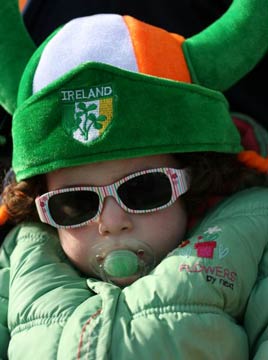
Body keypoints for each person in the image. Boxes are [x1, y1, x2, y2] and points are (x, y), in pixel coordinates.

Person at [1, 0, 268, 358]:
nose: (111, 223)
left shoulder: (249, 233)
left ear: (194, 178)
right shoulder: (21, 257)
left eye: (144, 189)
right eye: (75, 203)